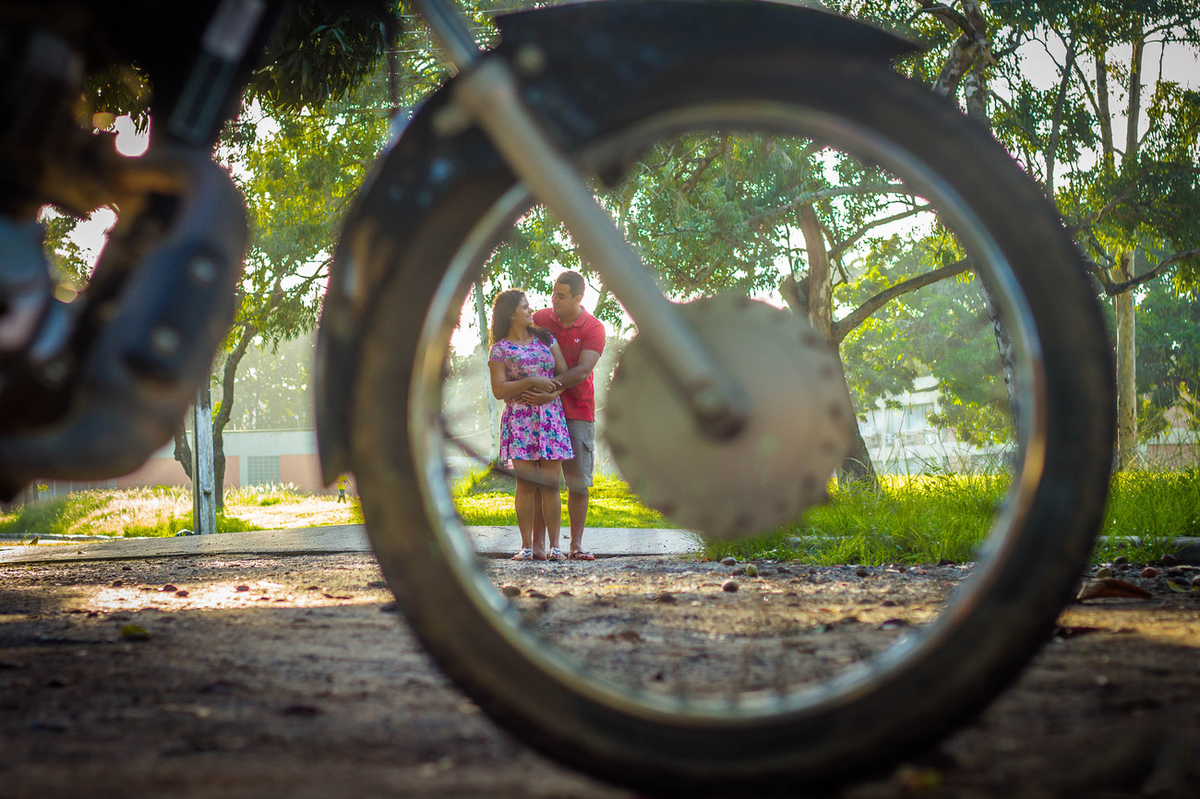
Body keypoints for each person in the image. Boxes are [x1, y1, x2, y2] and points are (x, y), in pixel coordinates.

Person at [488, 289, 574, 561]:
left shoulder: (545, 338)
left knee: (550, 485)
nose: (530, 310)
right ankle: (526, 547)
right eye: (525, 307)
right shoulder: (499, 348)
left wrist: (551, 393)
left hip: (550, 417)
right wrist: (532, 381)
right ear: (511, 313)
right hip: (520, 421)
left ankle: (556, 547)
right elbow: (499, 390)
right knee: (526, 486)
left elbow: (563, 374)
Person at [526, 271, 605, 561]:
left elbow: (583, 370)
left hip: (577, 411)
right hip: (542, 414)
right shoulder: (541, 319)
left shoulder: (593, 328)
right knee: (541, 482)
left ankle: (577, 545)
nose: (553, 300)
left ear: (577, 297)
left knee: (578, 483)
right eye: (553, 294)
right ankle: (537, 546)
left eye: (561, 296)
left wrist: (552, 390)